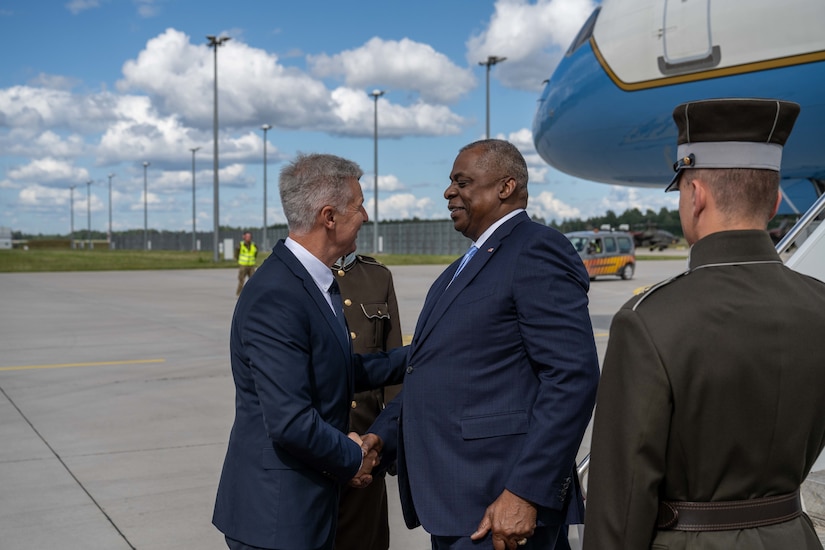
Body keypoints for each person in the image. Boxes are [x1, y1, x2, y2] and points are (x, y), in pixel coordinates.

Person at [582, 98, 825, 549]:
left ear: (696, 196)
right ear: (774, 201)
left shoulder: (649, 322)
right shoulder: (820, 304)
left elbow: (623, 501)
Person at [366, 139, 601, 550]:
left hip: (501, 506)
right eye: (450, 182)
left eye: (463, 181)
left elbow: (572, 378)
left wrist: (526, 491)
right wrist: (382, 436)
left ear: (505, 187)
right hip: (457, 502)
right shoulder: (460, 269)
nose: (448, 192)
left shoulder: (536, 250)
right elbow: (433, 370)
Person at [212, 153, 407, 550]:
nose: (366, 215)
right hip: (278, 519)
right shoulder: (277, 296)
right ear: (329, 216)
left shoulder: (312, 282)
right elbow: (290, 421)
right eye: (359, 204)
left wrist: (421, 353)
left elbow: (339, 370)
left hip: (306, 509)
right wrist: (356, 456)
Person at [332, 252, 403, 550]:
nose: (364, 217)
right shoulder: (301, 278)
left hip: (368, 441)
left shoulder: (378, 276)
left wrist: (395, 439)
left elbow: (394, 362)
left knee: (366, 540)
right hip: (319, 439)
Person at [235, 231, 258, 296]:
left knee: (253, 280)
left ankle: (252, 294)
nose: (248, 238)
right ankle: (239, 294)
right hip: (243, 265)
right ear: (244, 237)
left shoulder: (254, 245)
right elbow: (236, 254)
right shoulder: (240, 244)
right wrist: (239, 261)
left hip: (251, 265)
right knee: (241, 280)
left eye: (249, 236)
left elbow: (255, 254)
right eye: (247, 236)